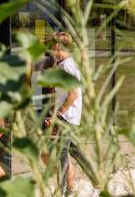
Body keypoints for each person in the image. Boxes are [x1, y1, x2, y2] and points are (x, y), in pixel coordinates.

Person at [43, 32, 100, 197]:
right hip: (67, 117)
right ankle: (98, 184)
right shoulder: (64, 65)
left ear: (58, 46)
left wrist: (59, 114)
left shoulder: (67, 65)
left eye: (51, 46)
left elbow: (73, 94)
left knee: (62, 155)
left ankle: (59, 193)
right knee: (76, 152)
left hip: (67, 117)